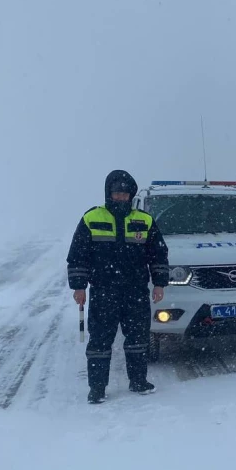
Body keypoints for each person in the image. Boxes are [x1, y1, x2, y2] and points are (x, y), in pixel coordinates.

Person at [67, 170, 169, 403]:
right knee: (100, 342)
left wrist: (159, 283)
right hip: (104, 292)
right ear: (108, 194)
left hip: (136, 292)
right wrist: (79, 287)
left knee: (138, 339)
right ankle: (97, 388)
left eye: (125, 194)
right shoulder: (92, 218)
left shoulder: (144, 220)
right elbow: (77, 256)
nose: (121, 198)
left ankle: (138, 381)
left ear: (131, 195)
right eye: (117, 194)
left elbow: (159, 255)